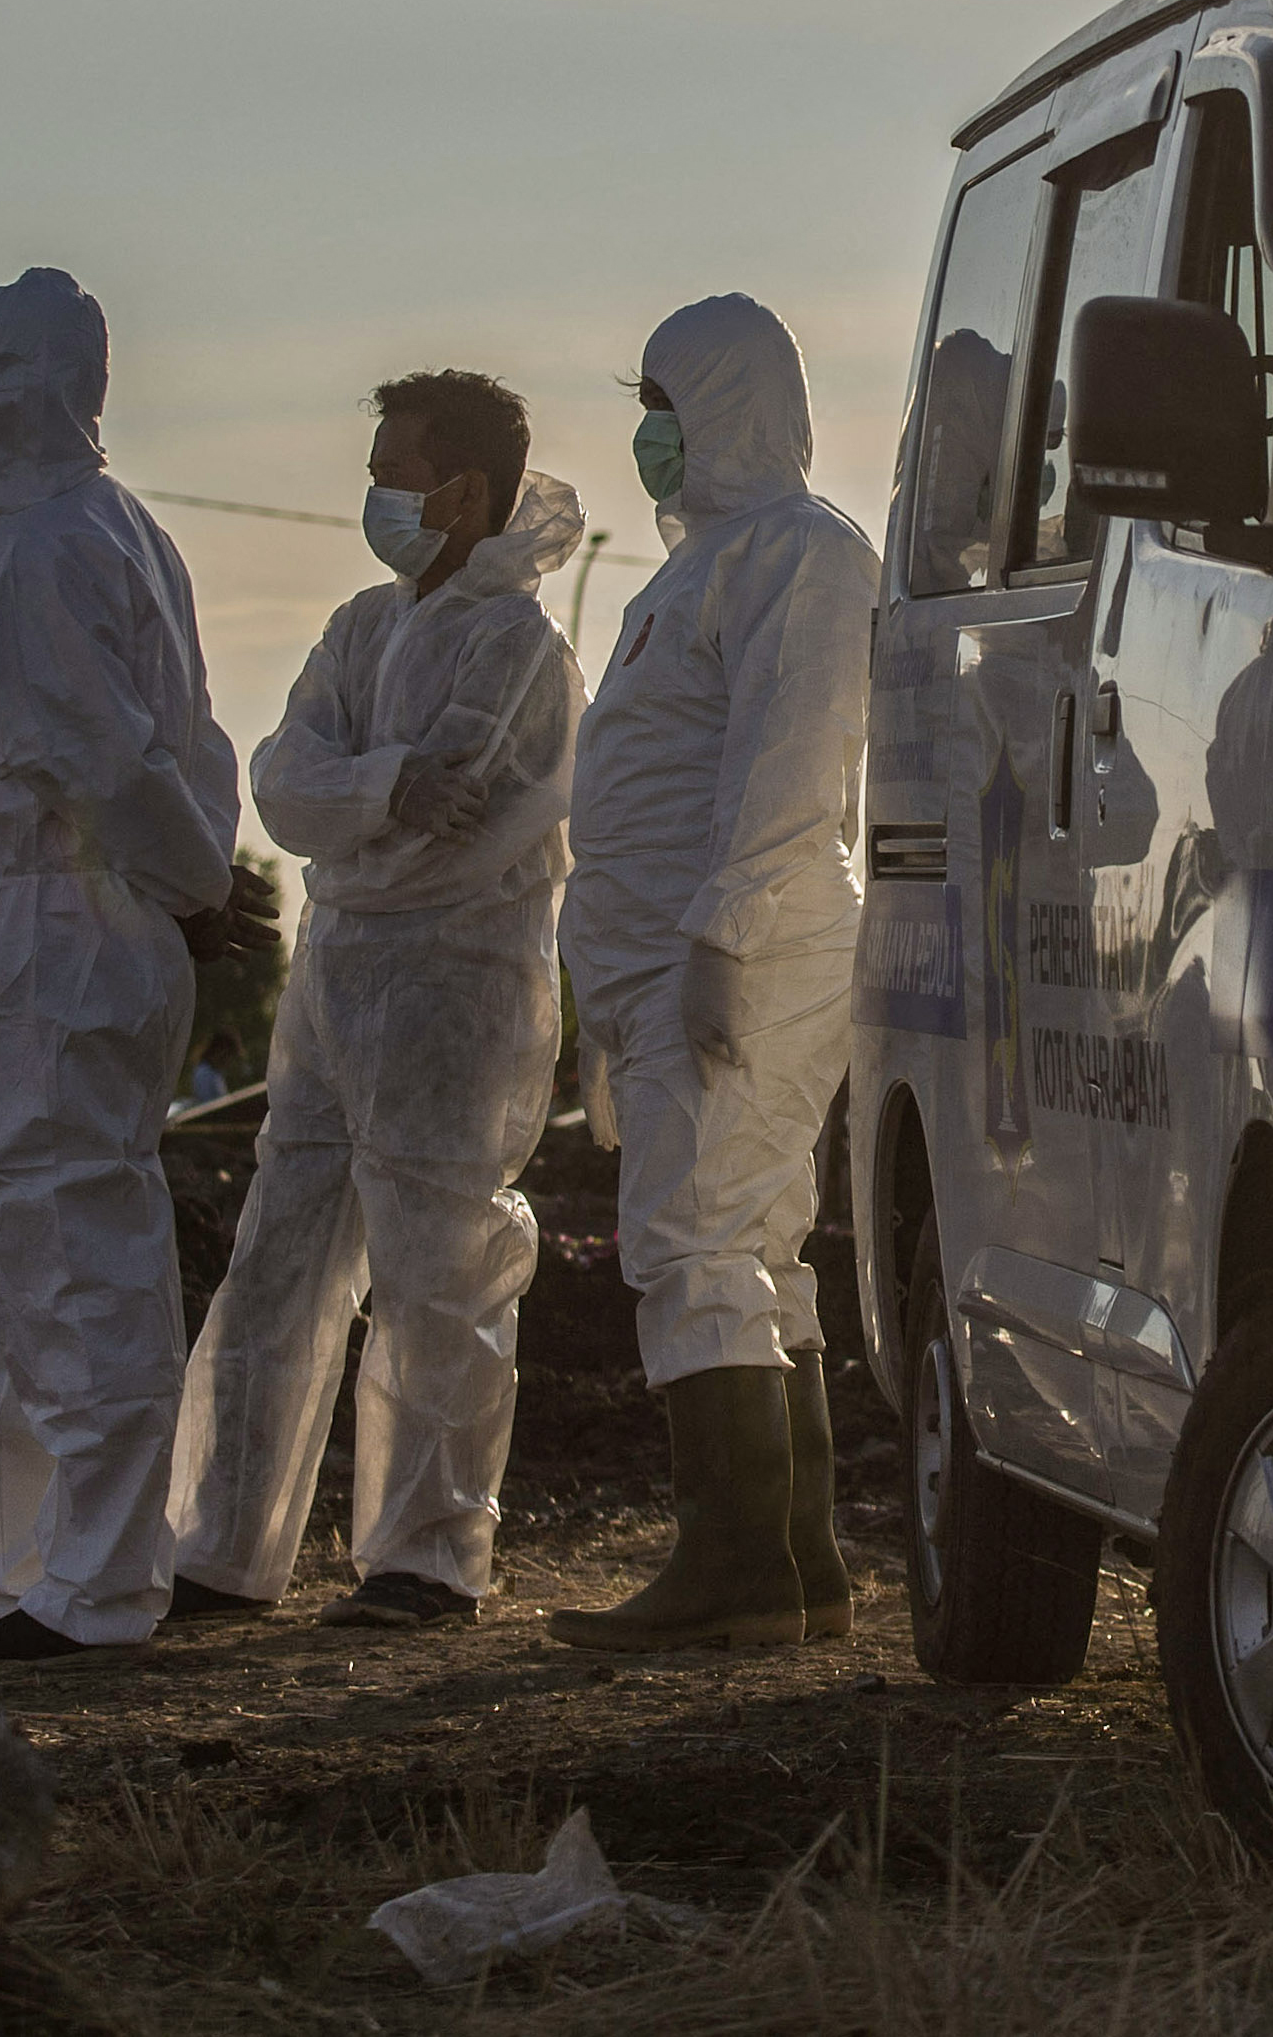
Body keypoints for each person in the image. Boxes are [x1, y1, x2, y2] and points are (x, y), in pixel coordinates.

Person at [165, 372, 588, 1631]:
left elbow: (442, 835)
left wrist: (365, 804)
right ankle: (224, 1549)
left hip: (455, 991)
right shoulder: (360, 627)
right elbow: (282, 782)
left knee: (436, 1276)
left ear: (464, 488)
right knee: (275, 1266)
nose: (375, 492)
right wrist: (382, 790)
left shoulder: (520, 646)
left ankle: (425, 1560)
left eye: (394, 469)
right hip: (338, 985)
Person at [0, 266, 270, 1661]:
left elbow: (100, 752)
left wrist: (190, 885)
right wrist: (195, 882)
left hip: (63, 924)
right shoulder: (48, 534)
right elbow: (189, 744)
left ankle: (97, 1586)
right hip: (20, 926)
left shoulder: (59, 541)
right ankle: (19, 1574)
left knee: (70, 1260)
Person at [548, 297, 875, 1653]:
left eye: (668, 411)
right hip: (676, 954)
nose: (649, 438)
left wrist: (726, 939)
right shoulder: (705, 565)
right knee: (750, 1241)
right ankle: (793, 1569)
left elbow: (790, 762)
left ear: (729, 411)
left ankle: (734, 1565)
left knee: (694, 1237)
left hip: (747, 944)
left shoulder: (800, 552)